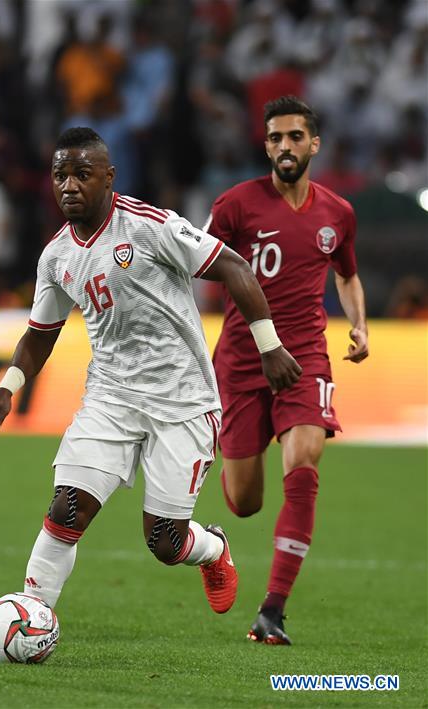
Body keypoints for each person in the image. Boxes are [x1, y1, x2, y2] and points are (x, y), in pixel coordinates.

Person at [0, 127, 302, 624]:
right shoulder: (56, 256)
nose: (69, 185)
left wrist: (269, 347)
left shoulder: (150, 226)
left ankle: (212, 549)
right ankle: (32, 615)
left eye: (82, 174)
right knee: (66, 509)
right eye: (60, 175)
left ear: (109, 177)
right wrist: (8, 386)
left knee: (165, 541)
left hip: (183, 400)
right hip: (111, 396)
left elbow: (236, 268)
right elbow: (41, 332)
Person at [204, 96, 369, 645]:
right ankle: (221, 544)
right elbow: (195, 261)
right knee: (246, 502)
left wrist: (360, 325)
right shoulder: (235, 205)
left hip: (304, 359)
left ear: (313, 144)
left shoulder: (336, 213)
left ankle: (272, 611)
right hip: (240, 361)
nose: (284, 147)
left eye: (295, 137)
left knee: (303, 466)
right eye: (275, 138)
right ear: (267, 146)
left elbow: (346, 274)